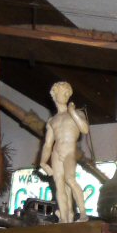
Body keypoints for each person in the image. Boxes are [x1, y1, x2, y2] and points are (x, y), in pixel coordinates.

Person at [39, 81, 90, 223]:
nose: (67, 95)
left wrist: (72, 112)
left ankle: (83, 213)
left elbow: (85, 129)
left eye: (68, 93)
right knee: (59, 186)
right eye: (63, 92)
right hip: (56, 153)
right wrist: (43, 162)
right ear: (55, 95)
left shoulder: (77, 113)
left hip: (69, 152)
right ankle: (64, 218)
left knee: (70, 179)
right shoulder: (52, 120)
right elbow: (48, 144)